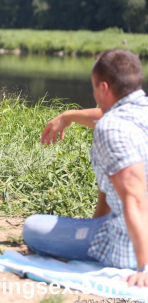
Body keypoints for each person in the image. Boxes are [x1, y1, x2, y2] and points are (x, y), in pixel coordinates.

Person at [24, 49, 148, 287]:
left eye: (93, 87)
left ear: (103, 88)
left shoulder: (111, 128)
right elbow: (105, 114)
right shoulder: (138, 112)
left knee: (33, 228)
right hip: (131, 230)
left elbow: (135, 198)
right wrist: (68, 116)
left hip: (126, 248)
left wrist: (144, 266)